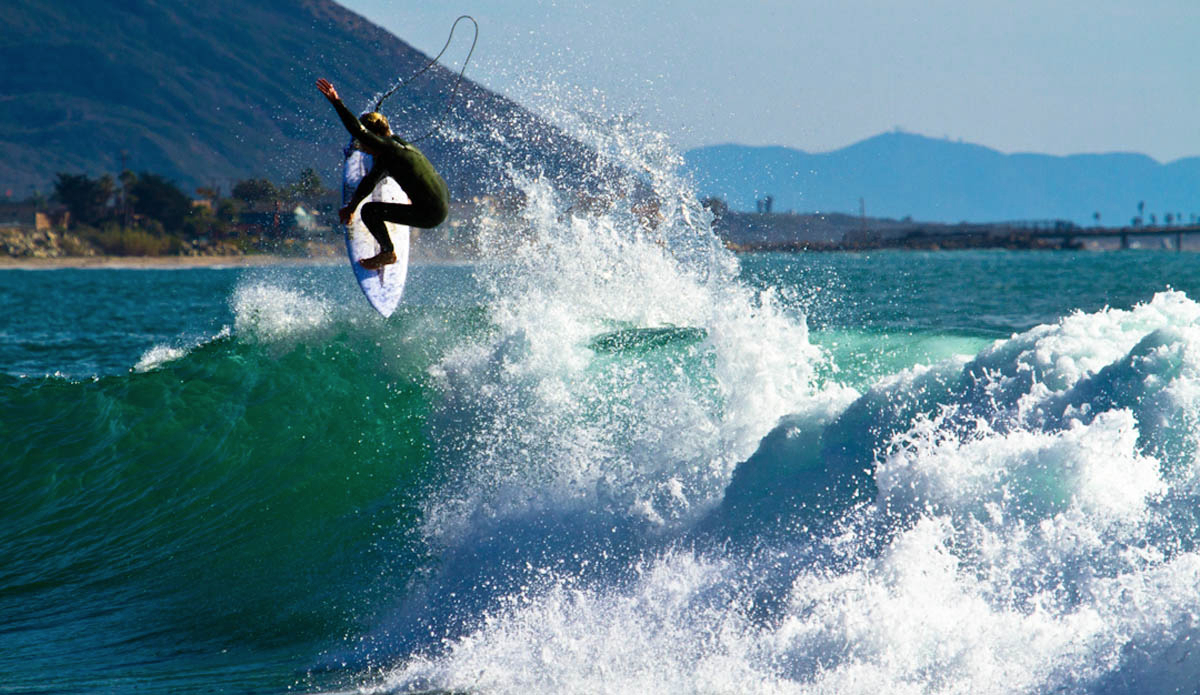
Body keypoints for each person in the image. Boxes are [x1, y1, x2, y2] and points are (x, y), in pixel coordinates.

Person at [316, 78, 450, 270]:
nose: (360, 146)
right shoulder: (397, 147)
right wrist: (351, 206)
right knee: (380, 179)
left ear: (374, 138)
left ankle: (388, 252)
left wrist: (337, 102)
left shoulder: (388, 151)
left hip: (431, 213)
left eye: (362, 142)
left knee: (370, 211)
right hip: (441, 202)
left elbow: (358, 130)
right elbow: (370, 181)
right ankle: (412, 204)